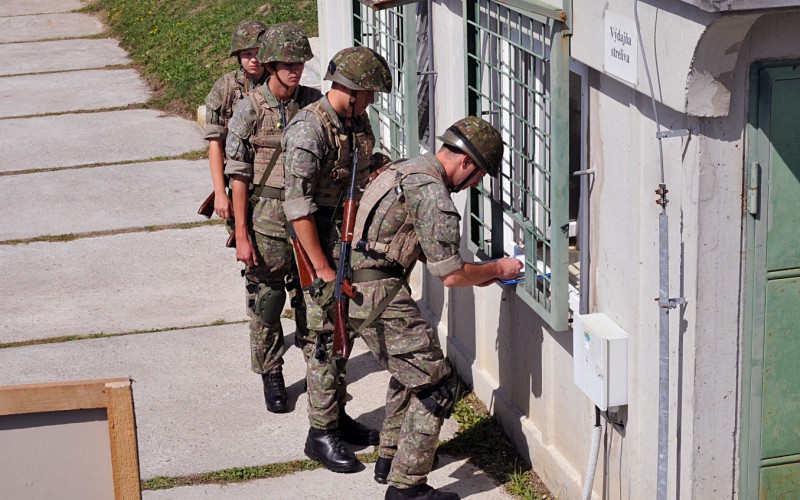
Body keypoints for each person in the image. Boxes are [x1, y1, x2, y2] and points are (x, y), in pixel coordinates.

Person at [348, 116, 523, 500]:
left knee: (412, 371)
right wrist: (498, 268)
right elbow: (452, 275)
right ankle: (407, 487)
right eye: (478, 177)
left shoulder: (406, 168)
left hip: (361, 290)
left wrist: (481, 273)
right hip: (381, 295)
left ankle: (391, 458)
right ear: (466, 162)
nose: (474, 185)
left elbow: (422, 248)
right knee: (438, 386)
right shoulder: (432, 193)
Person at [281, 46, 393, 473]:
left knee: (345, 335)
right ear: (349, 87)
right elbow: (298, 207)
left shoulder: (355, 120)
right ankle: (320, 433)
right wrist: (323, 269)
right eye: (369, 93)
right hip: (316, 244)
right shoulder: (310, 130)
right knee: (325, 338)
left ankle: (337, 417)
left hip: (347, 237)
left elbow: (357, 168)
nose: (373, 102)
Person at [224, 24, 321, 413]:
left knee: (312, 303)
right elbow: (238, 176)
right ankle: (272, 373)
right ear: (270, 65)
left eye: (299, 63)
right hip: (265, 222)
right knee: (266, 302)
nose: (295, 70)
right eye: (287, 63)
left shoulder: (313, 104)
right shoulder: (249, 109)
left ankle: (320, 378)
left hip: (308, 220)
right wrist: (242, 234)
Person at [204, 20, 269, 220]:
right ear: (238, 56)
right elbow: (215, 143)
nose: (253, 60)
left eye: (258, 52)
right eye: (247, 54)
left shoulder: (279, 83)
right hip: (237, 176)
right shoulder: (225, 88)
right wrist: (220, 193)